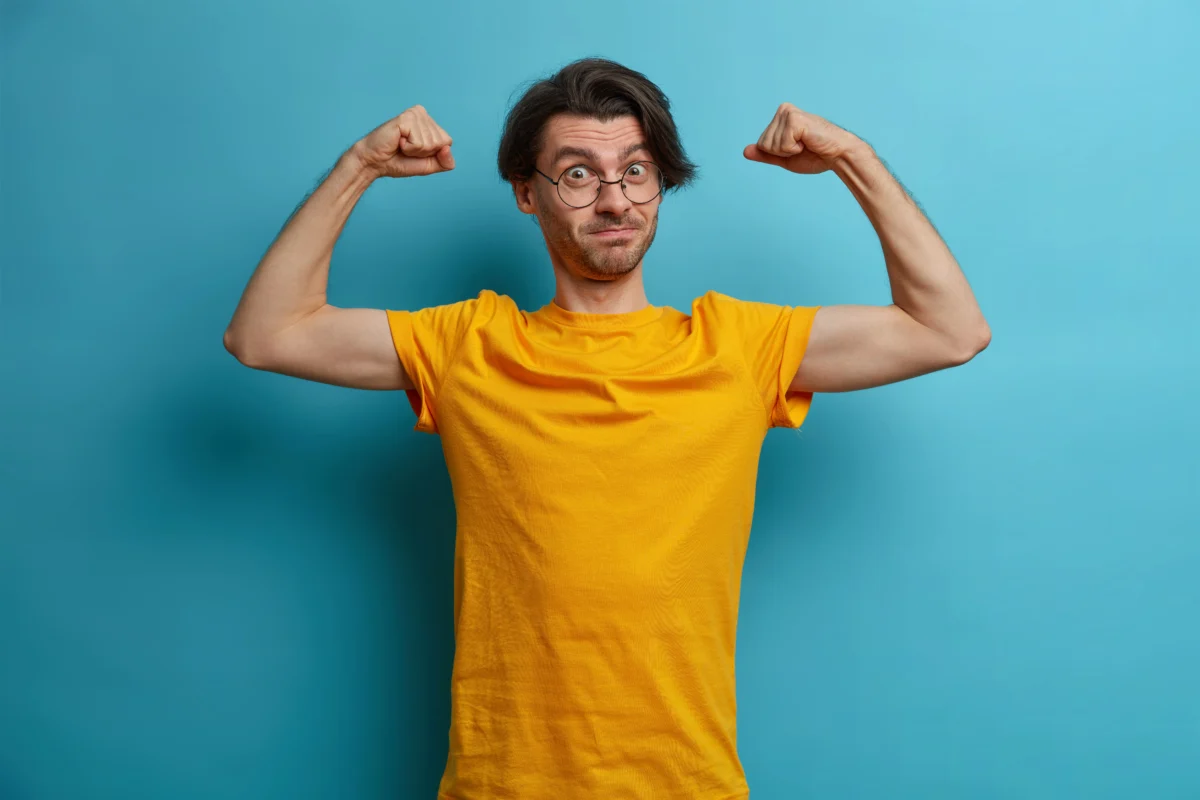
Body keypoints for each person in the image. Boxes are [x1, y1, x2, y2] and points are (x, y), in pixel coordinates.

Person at [224, 57, 989, 800]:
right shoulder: (467, 345)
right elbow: (267, 335)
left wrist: (854, 159)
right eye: (579, 174)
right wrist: (359, 165)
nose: (616, 200)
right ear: (529, 193)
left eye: (637, 170)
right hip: (503, 785)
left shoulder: (737, 346)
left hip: (687, 784)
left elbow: (949, 330)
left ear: (662, 185)